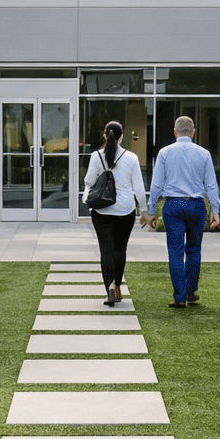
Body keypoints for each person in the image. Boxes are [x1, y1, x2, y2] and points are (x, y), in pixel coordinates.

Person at [146, 115, 220, 309]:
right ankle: (190, 291)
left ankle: (179, 296)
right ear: (193, 132)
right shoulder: (204, 154)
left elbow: (156, 185)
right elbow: (211, 185)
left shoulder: (164, 153)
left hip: (173, 206)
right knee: (194, 250)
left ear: (175, 132)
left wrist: (151, 210)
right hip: (196, 206)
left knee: (175, 251)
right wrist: (215, 209)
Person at [82, 121, 148, 307]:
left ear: (105, 135)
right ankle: (117, 286)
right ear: (122, 136)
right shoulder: (132, 158)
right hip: (126, 210)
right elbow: (139, 187)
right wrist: (143, 210)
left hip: (102, 210)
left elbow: (89, 181)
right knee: (120, 249)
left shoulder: (96, 156)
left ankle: (110, 289)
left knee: (106, 250)